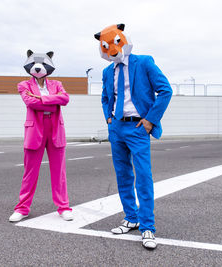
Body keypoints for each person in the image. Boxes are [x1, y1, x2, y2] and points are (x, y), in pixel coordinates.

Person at [94, 24, 173, 249]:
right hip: (117, 127)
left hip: (139, 127)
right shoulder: (107, 71)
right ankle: (131, 217)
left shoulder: (144, 62)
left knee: (143, 176)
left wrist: (149, 120)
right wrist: (108, 119)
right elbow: (105, 97)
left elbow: (165, 90)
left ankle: (148, 226)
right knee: (123, 175)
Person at [9, 50, 73, 222]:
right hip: (35, 129)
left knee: (59, 171)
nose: (38, 68)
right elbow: (30, 102)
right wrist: (53, 101)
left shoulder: (57, 84)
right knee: (30, 172)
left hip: (55, 129)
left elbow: (65, 99)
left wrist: (42, 99)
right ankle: (22, 208)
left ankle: (63, 207)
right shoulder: (23, 85)